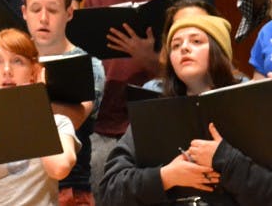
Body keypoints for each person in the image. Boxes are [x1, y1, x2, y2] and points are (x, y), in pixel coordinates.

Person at [99, 14, 272, 205]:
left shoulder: (250, 108)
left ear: (219, 50)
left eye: (196, 41)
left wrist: (227, 160)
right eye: (175, 45)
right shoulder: (154, 114)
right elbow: (110, 191)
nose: (184, 48)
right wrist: (165, 176)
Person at [81, 0, 179, 202]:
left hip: (159, 121)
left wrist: (148, 58)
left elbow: (192, 69)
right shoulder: (97, 1)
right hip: (106, 126)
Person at [0, 29, 80, 206]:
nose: (7, 70)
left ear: (34, 72)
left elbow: (59, 168)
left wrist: (37, 104)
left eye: (17, 61)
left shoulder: (57, 123)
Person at [20, 0, 105, 206]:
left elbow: (71, 120)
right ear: (24, 13)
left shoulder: (89, 65)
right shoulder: (12, 62)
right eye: (35, 10)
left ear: (69, 13)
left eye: (53, 10)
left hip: (69, 189)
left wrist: (20, 100)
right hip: (19, 188)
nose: (43, 18)